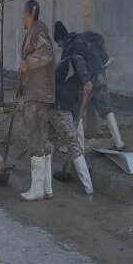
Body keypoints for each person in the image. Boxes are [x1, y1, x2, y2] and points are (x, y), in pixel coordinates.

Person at [53, 21, 125, 150]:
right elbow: (102, 55)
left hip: (85, 81)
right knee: (106, 109)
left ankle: (79, 146)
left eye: (58, 44)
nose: (59, 47)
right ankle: (119, 141)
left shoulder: (69, 48)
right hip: (99, 76)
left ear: (61, 39)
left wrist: (85, 81)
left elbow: (77, 65)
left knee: (76, 112)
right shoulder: (84, 39)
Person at [18, 0, 56, 201]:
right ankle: (47, 187)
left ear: (29, 14)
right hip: (42, 93)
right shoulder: (36, 31)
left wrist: (29, 63)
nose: (22, 19)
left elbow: (47, 53)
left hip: (37, 94)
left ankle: (37, 189)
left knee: (35, 138)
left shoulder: (36, 31)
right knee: (43, 139)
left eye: (23, 15)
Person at [52, 54, 94, 194]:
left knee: (52, 143)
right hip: (60, 106)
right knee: (72, 143)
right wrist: (86, 81)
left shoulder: (68, 68)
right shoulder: (78, 58)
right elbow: (78, 61)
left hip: (63, 104)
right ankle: (89, 188)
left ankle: (45, 187)